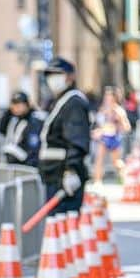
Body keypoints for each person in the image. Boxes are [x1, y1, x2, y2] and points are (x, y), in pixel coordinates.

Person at [36, 57, 90, 213]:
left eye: (57, 74)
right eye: (49, 75)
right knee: (57, 229)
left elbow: (77, 140)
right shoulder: (60, 101)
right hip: (54, 176)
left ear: (70, 76)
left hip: (64, 178)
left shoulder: (73, 103)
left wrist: (71, 170)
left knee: (64, 227)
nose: (52, 79)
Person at [91, 88, 130, 186]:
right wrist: (97, 131)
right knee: (99, 159)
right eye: (106, 98)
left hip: (114, 138)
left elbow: (126, 127)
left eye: (110, 98)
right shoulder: (102, 109)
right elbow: (99, 124)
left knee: (116, 162)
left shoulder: (118, 110)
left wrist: (118, 123)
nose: (107, 100)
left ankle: (126, 179)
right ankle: (97, 181)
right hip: (103, 137)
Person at [0, 91, 43, 167]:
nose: (15, 108)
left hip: (26, 164)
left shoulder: (34, 121)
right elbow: (2, 129)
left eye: (19, 105)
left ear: (26, 105)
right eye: (14, 105)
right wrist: (8, 112)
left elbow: (33, 147)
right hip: (13, 162)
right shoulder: (14, 119)